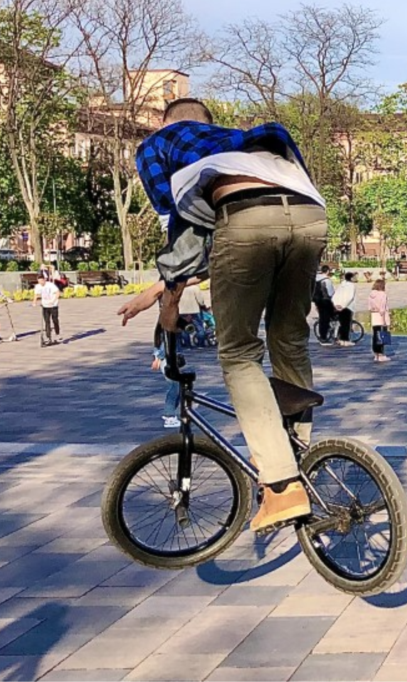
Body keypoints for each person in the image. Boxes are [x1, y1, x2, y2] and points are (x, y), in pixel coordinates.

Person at [118, 97, 327, 533]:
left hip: (246, 215)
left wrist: (169, 307)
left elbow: (181, 226)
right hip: (310, 213)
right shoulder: (238, 143)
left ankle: (282, 486)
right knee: (288, 337)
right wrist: (161, 288)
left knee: (238, 353)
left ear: (164, 122)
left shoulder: (161, 142)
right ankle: (296, 449)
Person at [151, 325, 187, 428]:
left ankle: (170, 413)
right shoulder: (169, 328)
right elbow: (165, 345)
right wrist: (159, 357)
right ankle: (169, 415)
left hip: (168, 360)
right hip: (168, 361)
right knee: (174, 387)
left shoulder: (161, 329)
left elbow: (159, 343)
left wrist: (157, 356)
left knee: (176, 387)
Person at [33, 271, 63, 346]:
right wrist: (34, 302)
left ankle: (57, 333)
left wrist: (53, 300)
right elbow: (36, 294)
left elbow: (57, 292)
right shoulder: (38, 286)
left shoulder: (50, 285)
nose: (41, 283)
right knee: (47, 322)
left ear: (44, 279)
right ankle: (48, 337)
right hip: (45, 306)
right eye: (39, 281)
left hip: (53, 305)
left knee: (55, 320)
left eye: (42, 281)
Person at [330, 270, 358, 348]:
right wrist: (343, 305)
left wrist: (335, 304)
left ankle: (340, 339)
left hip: (338, 306)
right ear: (351, 278)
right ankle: (345, 340)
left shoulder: (342, 285)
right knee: (346, 324)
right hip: (347, 307)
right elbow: (350, 297)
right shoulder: (351, 286)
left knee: (341, 324)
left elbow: (335, 295)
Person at [367, 275, 391, 361]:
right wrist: (384, 320)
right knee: (382, 336)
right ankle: (381, 355)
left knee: (375, 336)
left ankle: (376, 354)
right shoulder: (383, 294)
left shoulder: (371, 294)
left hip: (374, 317)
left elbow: (369, 307)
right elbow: (383, 307)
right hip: (381, 317)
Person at [312, 265, 336, 345]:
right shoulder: (326, 280)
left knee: (322, 318)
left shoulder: (316, 278)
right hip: (326, 301)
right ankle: (324, 337)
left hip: (317, 301)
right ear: (328, 271)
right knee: (327, 318)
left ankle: (324, 334)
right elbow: (331, 293)